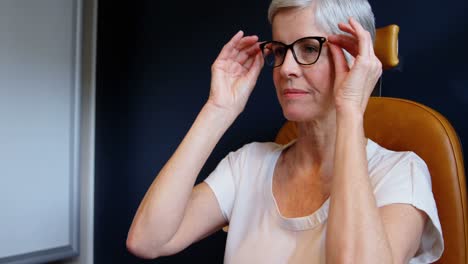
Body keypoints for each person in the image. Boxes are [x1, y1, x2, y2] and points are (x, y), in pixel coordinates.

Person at [126, 0, 444, 263]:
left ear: (354, 57)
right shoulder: (248, 165)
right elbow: (148, 240)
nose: (286, 69)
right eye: (280, 50)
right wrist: (218, 110)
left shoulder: (401, 174)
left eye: (308, 49)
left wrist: (350, 111)